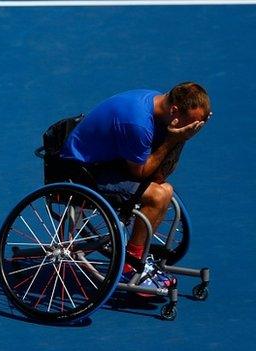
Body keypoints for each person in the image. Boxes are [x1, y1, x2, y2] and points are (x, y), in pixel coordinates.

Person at [60, 82, 212, 293]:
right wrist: (174, 140)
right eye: (191, 124)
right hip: (83, 171)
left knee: (165, 190)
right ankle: (130, 265)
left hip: (109, 160)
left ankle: (137, 256)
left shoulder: (160, 106)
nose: (193, 129)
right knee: (157, 196)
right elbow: (140, 174)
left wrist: (180, 139)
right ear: (175, 110)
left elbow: (160, 175)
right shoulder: (139, 124)